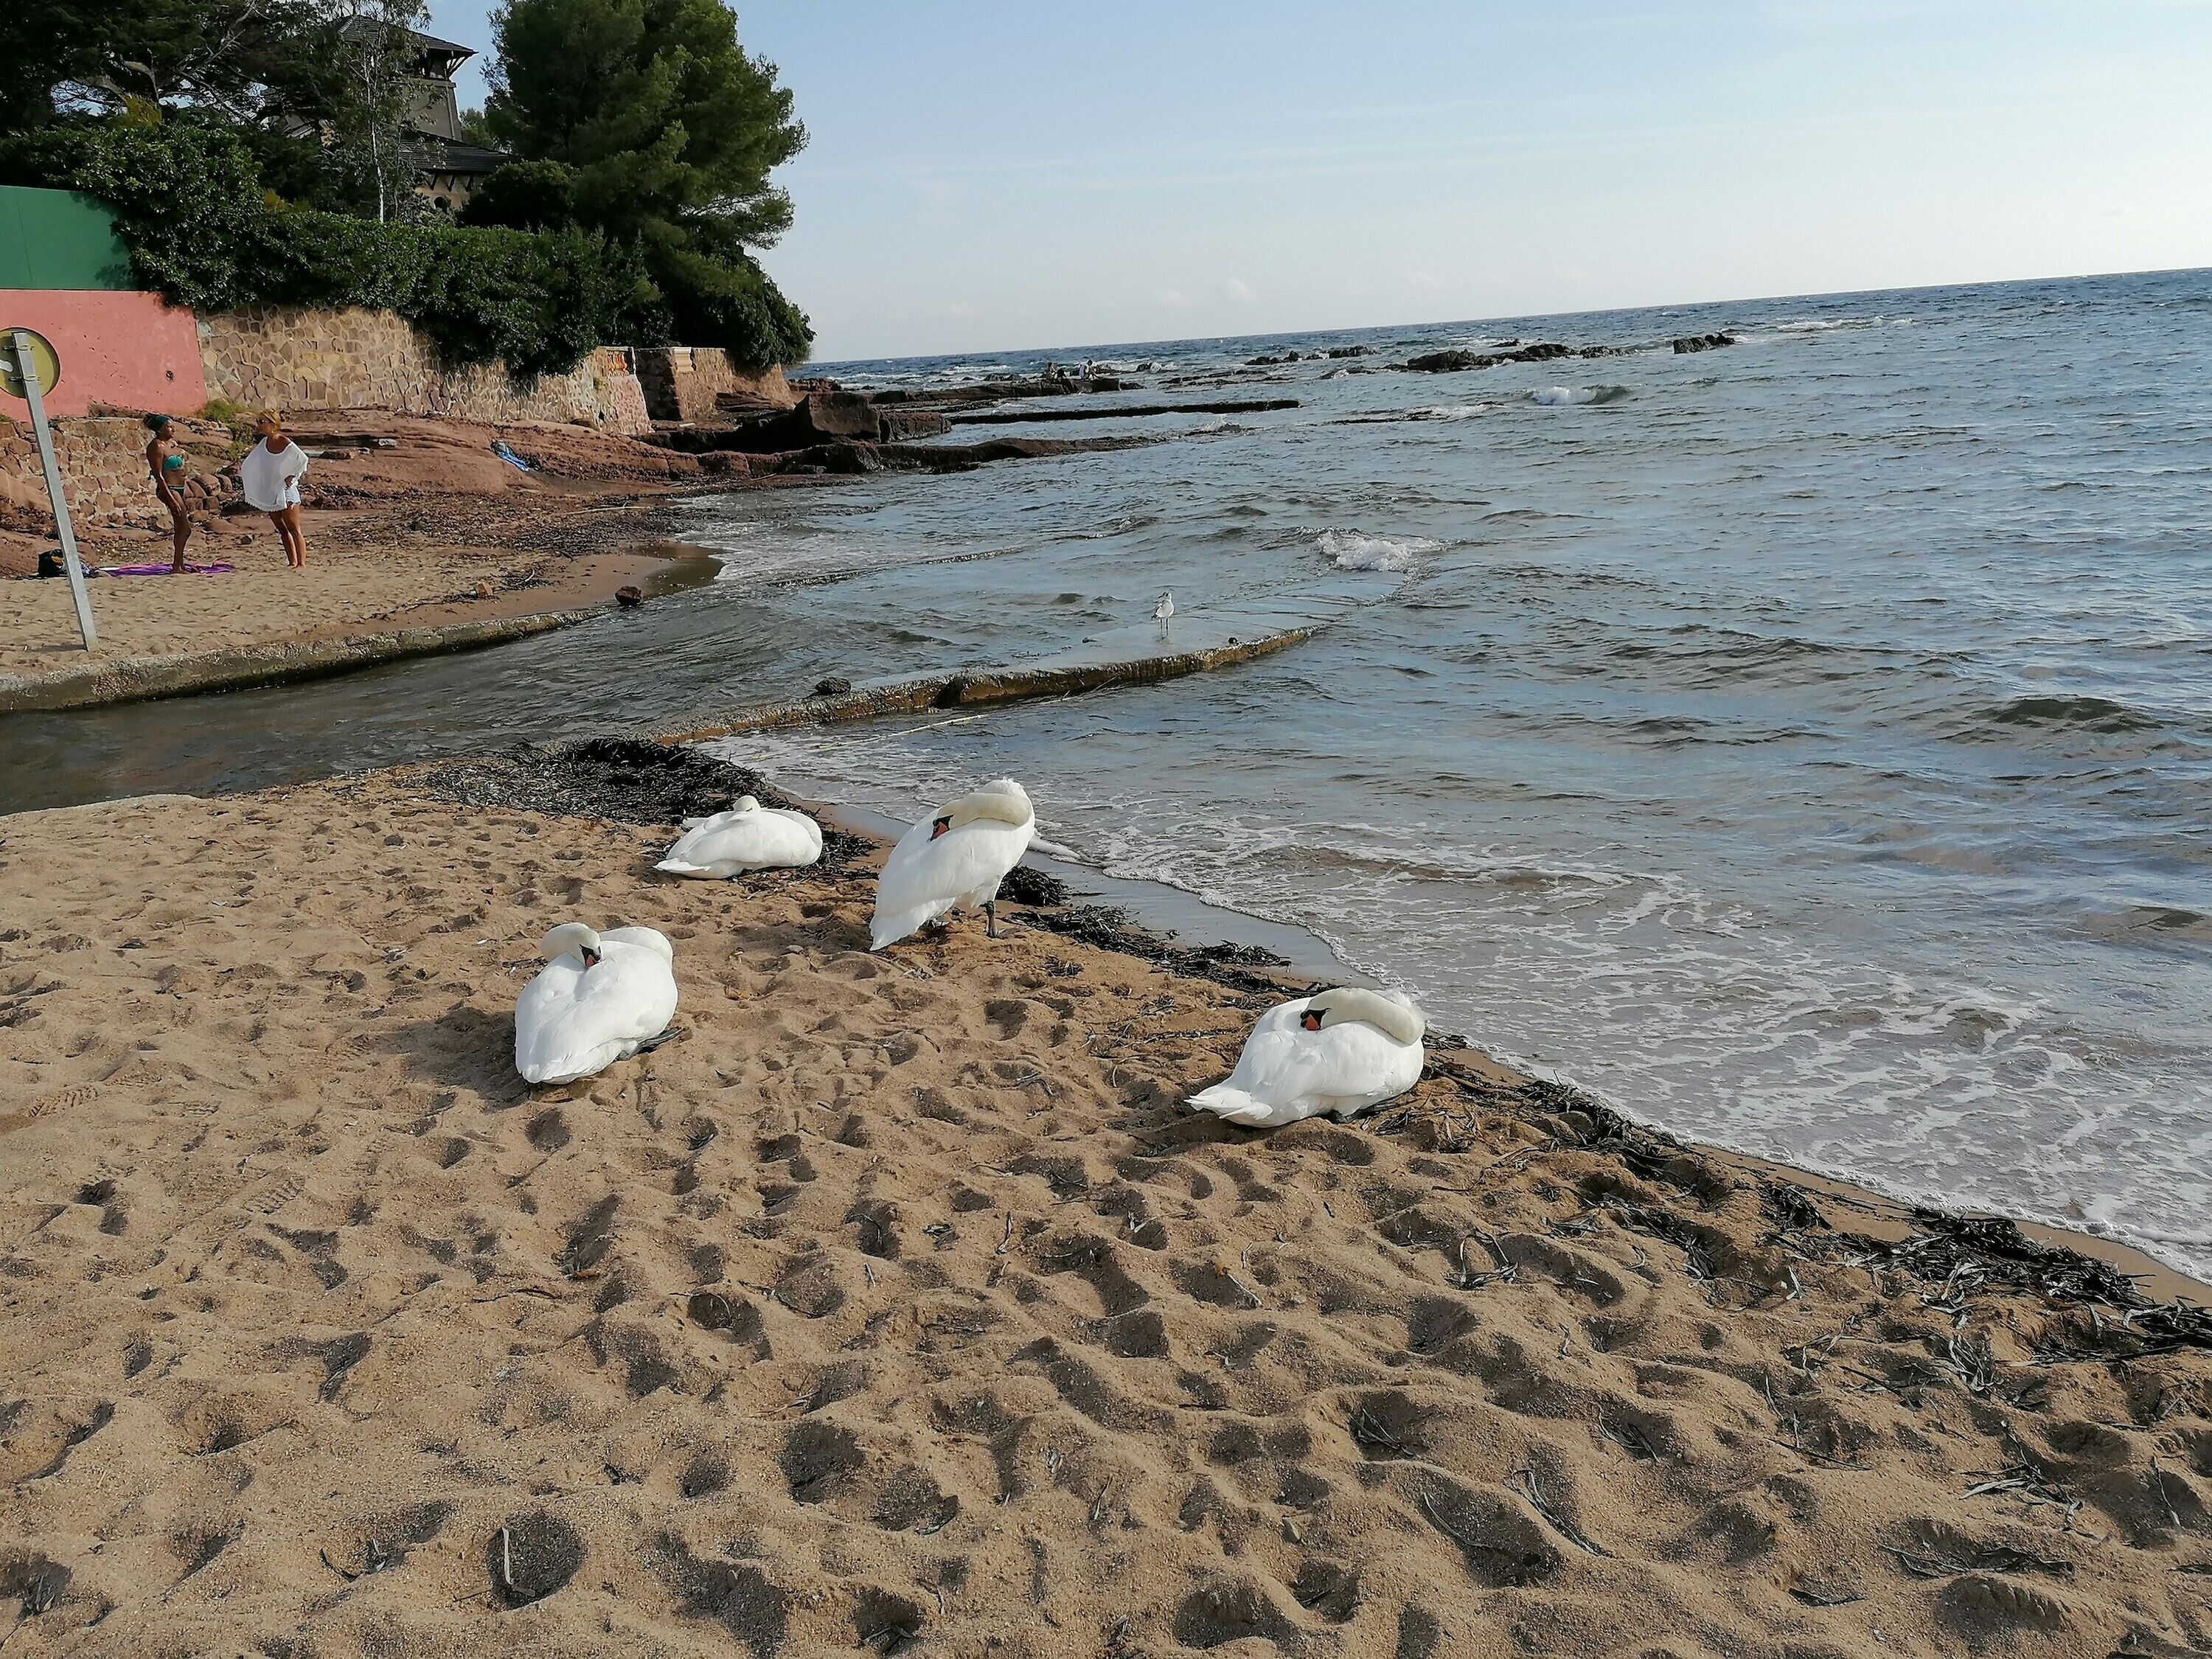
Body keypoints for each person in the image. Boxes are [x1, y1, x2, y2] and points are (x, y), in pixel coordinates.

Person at [240, 410, 310, 569]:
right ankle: (292, 561)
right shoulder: (264, 443)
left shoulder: (284, 441)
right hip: (271, 490)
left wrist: (293, 476)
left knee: (294, 528)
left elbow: (302, 459)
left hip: (286, 490)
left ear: (272, 424)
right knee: (282, 529)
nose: (259, 425)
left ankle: (301, 563)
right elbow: (252, 462)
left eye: (262, 422)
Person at [142, 414, 195, 572]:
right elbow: (158, 475)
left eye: (173, 426)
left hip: (179, 488)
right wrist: (171, 499)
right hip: (169, 489)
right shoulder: (156, 447)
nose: (173, 429)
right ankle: (177, 566)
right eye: (168, 426)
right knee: (185, 529)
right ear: (159, 430)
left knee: (182, 528)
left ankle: (179, 564)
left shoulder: (171, 444)